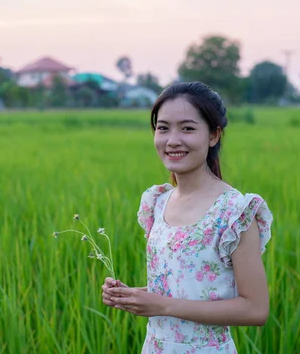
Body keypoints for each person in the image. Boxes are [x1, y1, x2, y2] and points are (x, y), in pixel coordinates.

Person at [101, 82, 274, 353]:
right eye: (163, 128)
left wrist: (163, 306)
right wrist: (133, 296)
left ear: (214, 135)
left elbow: (255, 309)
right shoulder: (158, 202)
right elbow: (186, 285)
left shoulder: (233, 212)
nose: (172, 140)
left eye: (188, 128)